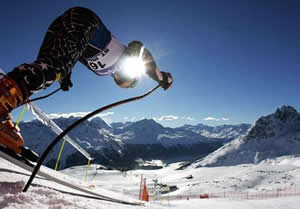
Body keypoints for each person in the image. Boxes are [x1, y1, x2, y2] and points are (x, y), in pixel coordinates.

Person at [0, 7, 173, 159]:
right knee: (52, 69)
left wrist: (66, 75)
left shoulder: (103, 71)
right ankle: (2, 99)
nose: (119, 81)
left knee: (46, 68)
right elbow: (138, 48)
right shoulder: (125, 58)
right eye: (126, 82)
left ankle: (5, 105)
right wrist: (159, 76)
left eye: (120, 84)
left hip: (63, 27)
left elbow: (77, 54)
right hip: (85, 22)